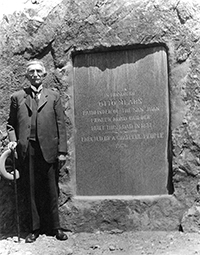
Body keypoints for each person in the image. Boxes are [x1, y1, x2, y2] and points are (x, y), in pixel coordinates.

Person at [7, 59, 68, 243]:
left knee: (51, 189)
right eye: (31, 72)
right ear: (26, 76)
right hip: (28, 149)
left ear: (44, 75)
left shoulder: (54, 96)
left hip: (49, 148)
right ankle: (34, 229)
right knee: (31, 190)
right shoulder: (17, 97)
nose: (35, 74)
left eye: (38, 71)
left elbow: (61, 125)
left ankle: (56, 227)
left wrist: (62, 151)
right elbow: (11, 124)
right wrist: (13, 141)